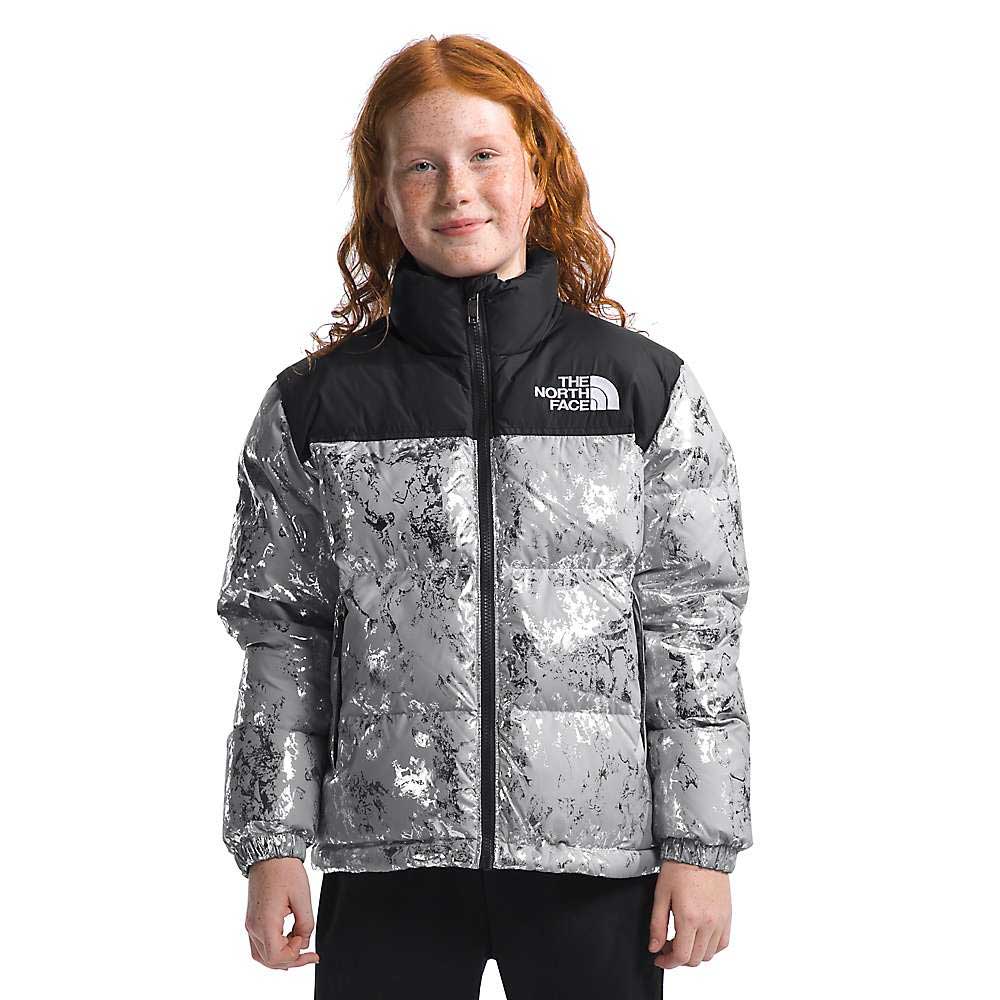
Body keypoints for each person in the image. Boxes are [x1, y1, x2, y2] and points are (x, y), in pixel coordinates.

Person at [216, 33, 753, 999]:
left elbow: (692, 625)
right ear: (383, 197)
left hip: (596, 862)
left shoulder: (643, 390)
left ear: (537, 175)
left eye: (483, 156)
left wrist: (702, 847)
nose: (456, 190)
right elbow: (283, 634)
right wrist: (271, 842)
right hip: (389, 855)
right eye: (420, 166)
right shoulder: (318, 407)